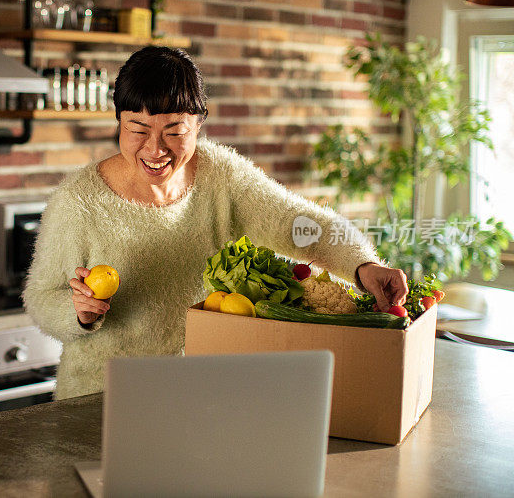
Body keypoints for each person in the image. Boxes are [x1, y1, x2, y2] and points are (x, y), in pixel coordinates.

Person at [23, 46, 408, 400]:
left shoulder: (220, 175)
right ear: (120, 121)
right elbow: (40, 297)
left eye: (175, 131)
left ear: (199, 123)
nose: (155, 149)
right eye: (138, 129)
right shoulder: (79, 200)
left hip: (198, 392)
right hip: (99, 398)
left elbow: (296, 222)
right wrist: (79, 312)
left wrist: (362, 265)